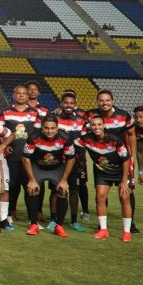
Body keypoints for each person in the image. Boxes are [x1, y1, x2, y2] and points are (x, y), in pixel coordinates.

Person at [86, 89, 139, 232]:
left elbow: (132, 134)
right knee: (102, 192)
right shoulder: (90, 115)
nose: (104, 103)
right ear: (97, 102)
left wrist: (132, 155)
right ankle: (103, 224)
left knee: (127, 191)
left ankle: (131, 223)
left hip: (122, 159)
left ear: (112, 101)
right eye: (101, 100)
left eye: (107, 100)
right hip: (102, 160)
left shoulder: (123, 115)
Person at [77, 114, 133, 241]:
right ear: (90, 126)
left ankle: (127, 232)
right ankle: (103, 230)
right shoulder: (86, 139)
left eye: (99, 124)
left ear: (103, 126)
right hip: (103, 172)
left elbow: (125, 160)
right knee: (100, 197)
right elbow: (73, 144)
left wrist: (124, 181)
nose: (96, 127)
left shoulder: (115, 140)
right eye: (93, 125)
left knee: (124, 197)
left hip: (121, 172)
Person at [22, 115, 76, 237]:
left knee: (63, 191)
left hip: (56, 168)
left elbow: (71, 159)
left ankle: (59, 226)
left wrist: (64, 180)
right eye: (46, 128)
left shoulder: (65, 138)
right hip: (38, 167)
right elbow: (25, 158)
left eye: (52, 128)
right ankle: (33, 225)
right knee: (32, 190)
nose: (49, 131)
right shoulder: (34, 137)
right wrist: (31, 179)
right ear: (42, 128)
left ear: (57, 128)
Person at [0, 85, 40, 225]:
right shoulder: (5, 112)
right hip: (11, 157)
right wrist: (5, 144)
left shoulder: (35, 113)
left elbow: (39, 134)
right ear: (14, 95)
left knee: (29, 186)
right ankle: (9, 214)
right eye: (18, 93)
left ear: (28, 96)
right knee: (11, 187)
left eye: (24, 93)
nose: (21, 95)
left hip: (29, 158)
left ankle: (31, 219)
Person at [53, 91, 90, 230]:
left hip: (76, 161)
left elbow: (84, 141)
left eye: (71, 103)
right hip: (58, 161)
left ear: (76, 105)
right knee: (56, 190)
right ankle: (54, 219)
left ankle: (74, 220)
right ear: (61, 104)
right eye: (66, 103)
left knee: (74, 190)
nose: (68, 105)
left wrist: (81, 160)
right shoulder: (55, 119)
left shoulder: (81, 121)